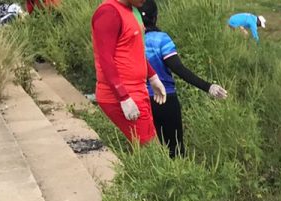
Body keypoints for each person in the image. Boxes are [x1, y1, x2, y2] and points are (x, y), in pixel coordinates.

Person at [140, 0, 228, 157]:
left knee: (150, 151)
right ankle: (178, 179)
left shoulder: (131, 40)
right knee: (175, 148)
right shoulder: (161, 39)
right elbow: (178, 68)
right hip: (166, 99)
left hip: (141, 101)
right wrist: (208, 87)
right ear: (156, 17)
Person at [92, 0, 167, 145]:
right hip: (122, 93)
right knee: (151, 151)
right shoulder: (109, 13)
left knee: (148, 147)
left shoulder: (134, 10)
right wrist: (123, 97)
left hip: (139, 90)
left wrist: (152, 76)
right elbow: (105, 59)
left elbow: (134, 49)